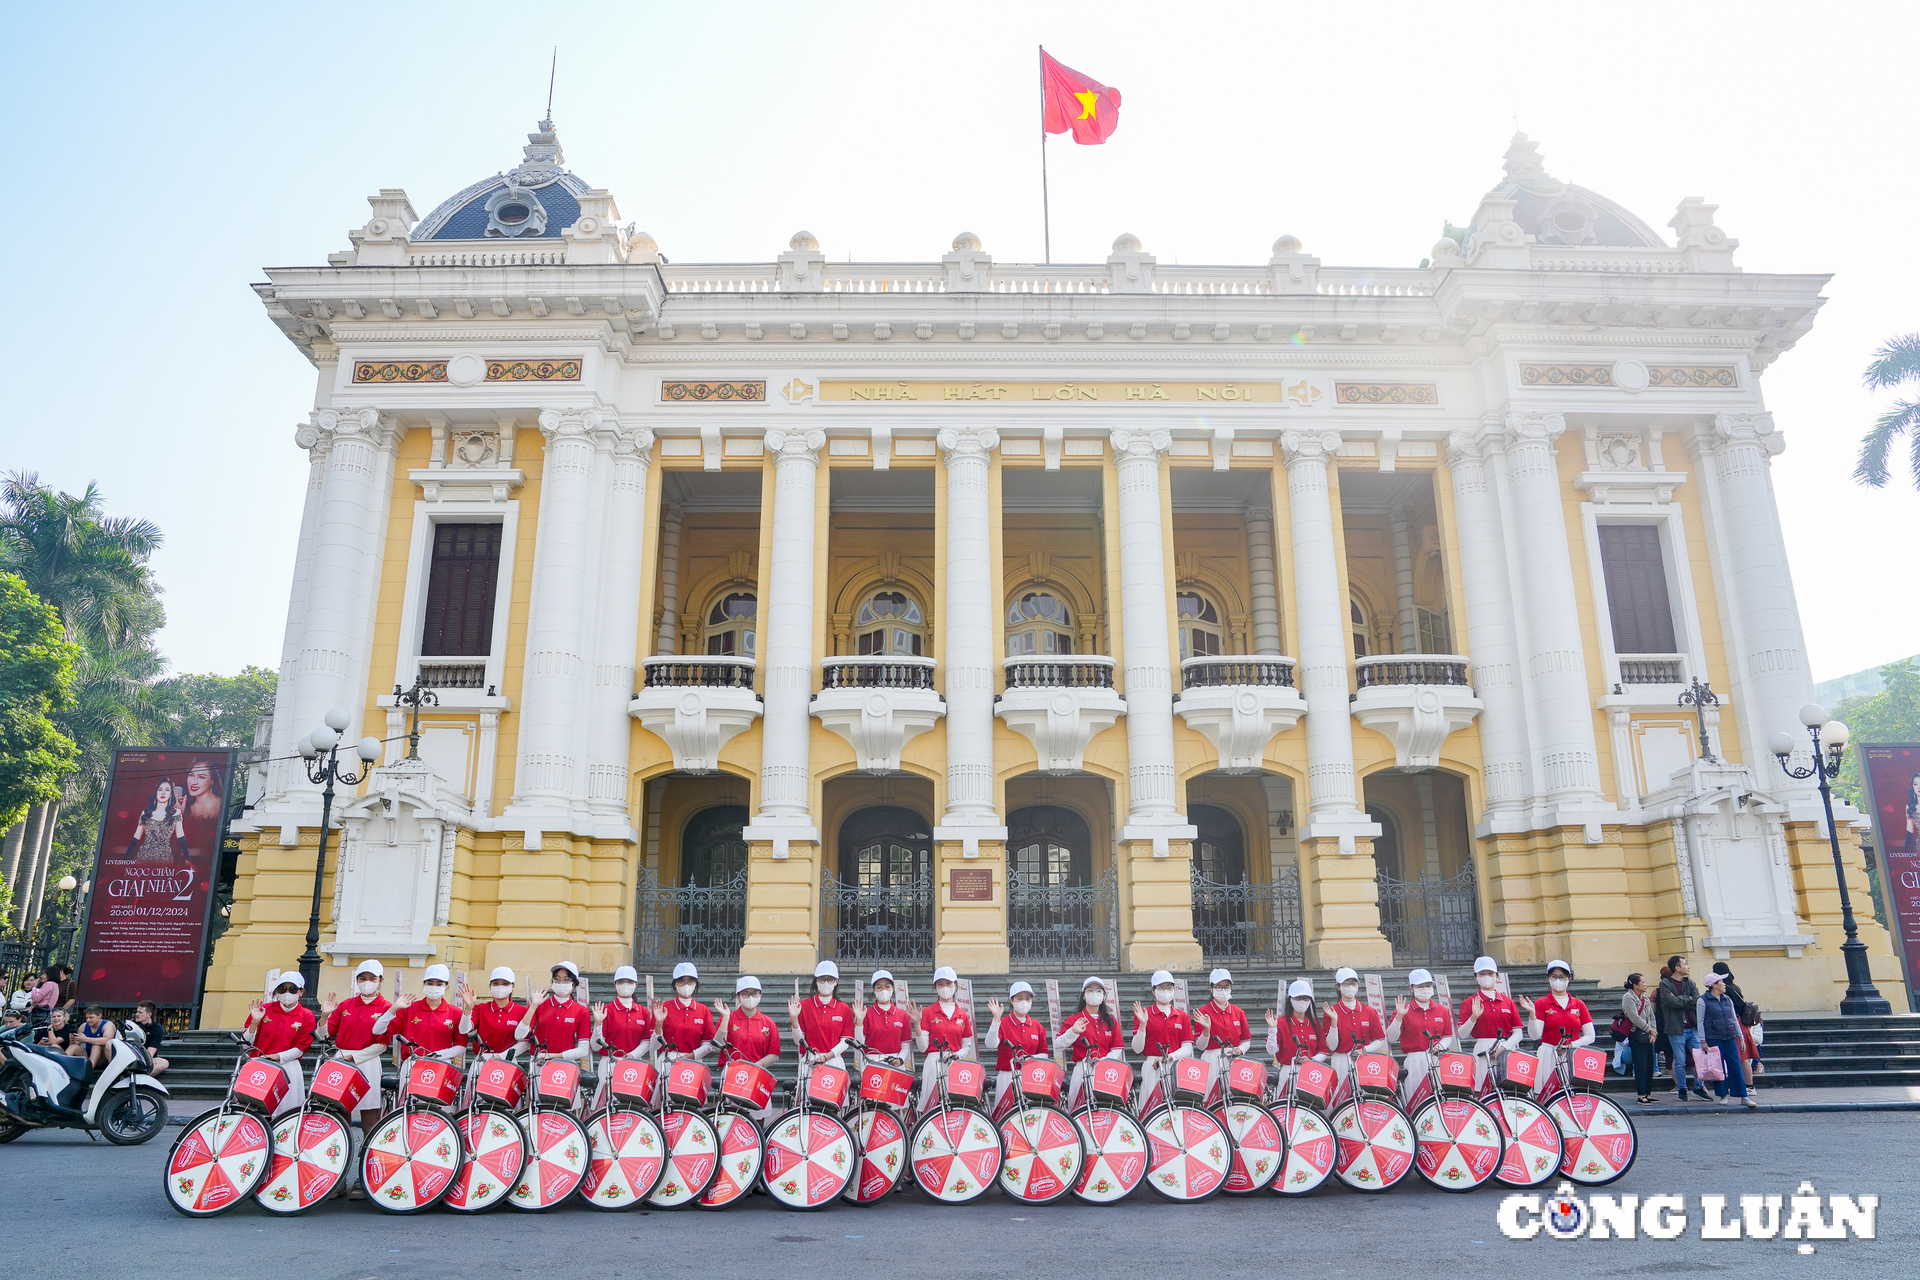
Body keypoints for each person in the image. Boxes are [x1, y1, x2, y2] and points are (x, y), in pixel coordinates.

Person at [323, 960, 394, 1147]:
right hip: (341, 1061)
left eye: (372, 978)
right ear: (357, 980)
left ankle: (367, 1162)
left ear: (380, 980)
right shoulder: (345, 1005)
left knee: (369, 1120)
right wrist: (324, 1016)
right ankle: (340, 1160)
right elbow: (325, 1035)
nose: (367, 982)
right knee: (341, 1115)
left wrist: (354, 1057)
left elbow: (382, 1044)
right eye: (362, 978)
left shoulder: (387, 1008)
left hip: (367, 1062)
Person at [243, 971, 316, 1116]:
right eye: (282, 989)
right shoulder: (264, 1009)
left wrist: (275, 1057)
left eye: (293, 989)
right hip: (259, 1067)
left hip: (288, 1068)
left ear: (301, 992)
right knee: (253, 1114)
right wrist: (255, 1022)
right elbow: (245, 1044)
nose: (287, 993)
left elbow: (301, 1048)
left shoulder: (306, 1015)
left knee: (286, 1115)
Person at [1522, 959, 1595, 1099]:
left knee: (1572, 1096)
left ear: (1569, 979)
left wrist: (1571, 1045)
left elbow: (1590, 1036)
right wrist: (1532, 1014)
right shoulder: (1542, 1003)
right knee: (1546, 1097)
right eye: (1554, 977)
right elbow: (1535, 1035)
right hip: (1548, 1054)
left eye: (1562, 977)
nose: (1558, 980)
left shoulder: (1578, 1004)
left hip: (1572, 1054)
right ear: (1548, 979)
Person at [1385, 967, 1456, 1107]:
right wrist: (1399, 1017)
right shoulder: (1404, 1009)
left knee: (1438, 1100)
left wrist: (1439, 1046)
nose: (1425, 989)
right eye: (1420, 986)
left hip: (1435, 1059)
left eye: (1428, 986)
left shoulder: (1442, 1011)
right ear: (1412, 988)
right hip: (1414, 1060)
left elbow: (1448, 1036)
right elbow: (1391, 1037)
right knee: (1416, 1100)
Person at [715, 975, 781, 1122]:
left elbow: (774, 1053)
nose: (750, 997)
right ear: (738, 997)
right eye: (745, 994)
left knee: (757, 1122)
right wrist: (725, 1018)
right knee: (730, 1120)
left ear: (760, 995)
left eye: (754, 993)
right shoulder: (729, 1017)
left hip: (758, 1076)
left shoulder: (768, 1023)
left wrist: (756, 1066)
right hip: (734, 1076)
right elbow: (718, 1044)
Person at [1321, 966, 1389, 1107]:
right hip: (1340, 1061)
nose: (1350, 987)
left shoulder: (1368, 1011)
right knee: (1341, 1101)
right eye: (1346, 983)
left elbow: (1380, 1040)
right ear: (1338, 987)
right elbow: (1332, 1046)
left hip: (1363, 1060)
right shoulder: (1331, 1012)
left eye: (1353, 983)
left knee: (1365, 1101)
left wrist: (1364, 1049)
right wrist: (1334, 1021)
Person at [1130, 969, 1195, 1114]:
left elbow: (1187, 1047)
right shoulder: (1144, 1014)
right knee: (1151, 1110)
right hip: (1152, 1067)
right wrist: (1142, 1025)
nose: (1166, 991)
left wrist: (1171, 1056)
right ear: (1153, 991)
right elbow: (1137, 1049)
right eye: (1161, 988)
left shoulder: (1182, 1016)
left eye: (1169, 988)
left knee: (1176, 1110)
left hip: (1175, 1066)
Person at [983, 981, 1051, 1116]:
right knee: (1004, 1117)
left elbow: (1044, 1053)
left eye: (1028, 998)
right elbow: (990, 1044)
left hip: (1031, 1077)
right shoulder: (1002, 1022)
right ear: (1011, 1001)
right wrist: (996, 1019)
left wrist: (1031, 1059)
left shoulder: (1037, 1026)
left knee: (1030, 1118)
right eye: (1019, 998)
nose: (1024, 1002)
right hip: (1007, 1077)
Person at [1057, 977, 1124, 1110]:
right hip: (1082, 1068)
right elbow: (1058, 1045)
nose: (1095, 994)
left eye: (1099, 991)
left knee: (1104, 1110)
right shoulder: (1074, 1020)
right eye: (1090, 990)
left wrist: (1103, 1061)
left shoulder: (1110, 1020)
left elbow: (1117, 1048)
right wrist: (1073, 1032)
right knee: (1078, 1110)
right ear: (1083, 996)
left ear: (1104, 996)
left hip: (1105, 1070)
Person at [914, 966, 976, 1112]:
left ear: (956, 985)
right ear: (935, 987)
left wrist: (957, 1054)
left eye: (948, 983)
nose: (944, 988)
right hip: (933, 1063)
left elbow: (967, 1046)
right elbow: (923, 1047)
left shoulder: (963, 1015)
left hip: (954, 1064)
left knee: (953, 1107)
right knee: (930, 1107)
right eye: (940, 984)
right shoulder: (928, 1012)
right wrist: (916, 1023)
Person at [1457, 956, 1524, 1090]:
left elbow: (1518, 1033)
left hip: (1506, 1048)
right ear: (1476, 977)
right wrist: (1474, 1017)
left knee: (1509, 1091)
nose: (1486, 977)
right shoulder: (1469, 1002)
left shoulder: (1508, 1002)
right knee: (1484, 1091)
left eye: (1490, 973)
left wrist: (1503, 1048)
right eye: (1482, 974)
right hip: (1483, 1050)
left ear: (1497, 977)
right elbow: (1461, 1034)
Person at [788, 960, 853, 1096]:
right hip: (811, 1061)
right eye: (822, 979)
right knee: (808, 1107)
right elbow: (798, 1040)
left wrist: (826, 1057)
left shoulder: (844, 1009)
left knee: (832, 1109)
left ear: (836, 982)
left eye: (830, 979)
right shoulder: (804, 1006)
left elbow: (846, 1041)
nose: (826, 983)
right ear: (816, 981)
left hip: (834, 1060)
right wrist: (794, 1018)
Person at [378, 963, 463, 1064]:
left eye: (439, 984)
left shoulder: (455, 1012)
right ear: (424, 984)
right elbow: (378, 1030)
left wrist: (437, 1055)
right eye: (430, 983)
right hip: (412, 1064)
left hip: (442, 1063)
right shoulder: (408, 1009)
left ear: (446, 986)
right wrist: (394, 1008)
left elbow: (461, 1046)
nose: (434, 987)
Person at [517, 961, 593, 1072]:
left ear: (574, 983)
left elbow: (583, 1050)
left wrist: (553, 1056)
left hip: (565, 1065)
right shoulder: (540, 1005)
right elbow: (519, 1035)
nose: (561, 983)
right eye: (557, 979)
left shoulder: (581, 1011)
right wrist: (533, 1006)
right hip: (538, 1063)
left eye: (566, 979)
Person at [1192, 968, 1252, 1106]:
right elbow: (1201, 1046)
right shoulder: (1203, 1012)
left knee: (1235, 1101)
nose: (1223, 990)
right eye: (1218, 987)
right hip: (1211, 1059)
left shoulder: (1238, 1012)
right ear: (1211, 988)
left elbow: (1246, 1040)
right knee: (1211, 1101)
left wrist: (1239, 1050)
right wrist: (1206, 1029)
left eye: (1226, 987)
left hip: (1234, 1060)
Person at [1697, 970, 1757, 1108]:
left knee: (1735, 1065)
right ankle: (1723, 1094)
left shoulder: (1727, 999)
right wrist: (1703, 1041)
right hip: (1714, 1037)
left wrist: (1740, 1037)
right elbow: (1700, 1022)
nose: (1724, 984)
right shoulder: (1702, 1000)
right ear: (1713, 985)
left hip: (1730, 1036)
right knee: (1717, 1068)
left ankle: (1743, 1096)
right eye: (1721, 982)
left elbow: (1734, 1018)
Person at [1265, 979, 1330, 1096]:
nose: (1302, 1002)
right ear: (1291, 1000)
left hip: (1310, 1073)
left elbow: (1324, 1051)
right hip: (1287, 1071)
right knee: (1285, 1109)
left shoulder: (1315, 1025)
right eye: (1298, 998)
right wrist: (1272, 1029)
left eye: (1306, 998)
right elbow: (1271, 1050)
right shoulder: (1280, 1023)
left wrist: (1311, 1061)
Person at [1657, 955, 1706, 1102]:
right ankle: (1682, 1088)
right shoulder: (1665, 984)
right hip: (1676, 1028)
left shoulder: (1690, 983)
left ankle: (1699, 1087)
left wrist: (1682, 999)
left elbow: (1697, 1000)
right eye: (1685, 964)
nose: (1688, 966)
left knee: (1699, 1058)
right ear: (1677, 968)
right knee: (1680, 1061)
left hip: (1692, 1027)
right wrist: (1687, 999)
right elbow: (1669, 1001)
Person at [460, 966, 528, 1059]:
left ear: (513, 986)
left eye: (505, 984)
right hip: (481, 1061)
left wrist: (501, 1057)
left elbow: (524, 1043)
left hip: (508, 1061)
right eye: (496, 983)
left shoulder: (522, 1011)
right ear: (490, 986)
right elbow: (463, 1030)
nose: (500, 987)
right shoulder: (480, 1008)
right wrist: (468, 1008)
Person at [853, 969, 912, 1071]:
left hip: (895, 1064)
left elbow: (905, 1044)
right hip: (871, 1063)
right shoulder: (866, 1013)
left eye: (887, 986)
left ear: (892, 988)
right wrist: (859, 1021)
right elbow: (858, 1043)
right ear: (873, 990)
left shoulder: (902, 1015)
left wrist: (900, 1059)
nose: (883, 990)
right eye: (879, 987)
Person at [1712, 962, 1763, 1080]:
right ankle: (1748, 1085)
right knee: (1743, 1057)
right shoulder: (1735, 987)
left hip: (1733, 1023)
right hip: (1742, 1022)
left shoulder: (1725, 991)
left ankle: (1741, 1083)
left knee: (1738, 1057)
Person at [126, 777, 185, 863]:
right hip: (144, 856)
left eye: (167, 790)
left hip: (164, 857)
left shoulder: (176, 813)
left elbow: (180, 836)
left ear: (171, 794)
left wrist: (187, 858)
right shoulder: (146, 812)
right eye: (160, 789)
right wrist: (125, 859)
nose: (163, 793)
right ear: (156, 792)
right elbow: (136, 836)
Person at [1621, 973, 1658, 1105]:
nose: (1646, 984)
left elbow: (1652, 1016)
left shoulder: (1645, 999)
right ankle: (1641, 1094)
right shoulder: (1628, 997)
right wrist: (1649, 1029)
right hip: (1636, 1034)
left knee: (1649, 1065)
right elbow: (1634, 1017)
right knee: (1641, 1065)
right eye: (1643, 982)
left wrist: (1653, 1032)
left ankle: (1647, 1093)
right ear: (1635, 985)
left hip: (1648, 1035)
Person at [181, 757, 226, 857]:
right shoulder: (185, 805)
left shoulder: (219, 806)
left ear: (212, 781)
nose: (193, 782)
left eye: (201, 777)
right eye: (191, 775)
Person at [70, 1005, 118, 1070]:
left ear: (99, 1016)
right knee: (73, 1047)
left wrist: (86, 1039)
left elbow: (107, 1040)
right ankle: (62, 1067)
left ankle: (87, 1070)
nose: (88, 1020)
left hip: (102, 1058)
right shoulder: (84, 1026)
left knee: (96, 1046)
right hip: (88, 1056)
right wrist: (72, 1040)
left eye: (91, 1018)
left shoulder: (108, 1024)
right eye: (86, 1018)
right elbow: (76, 1044)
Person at [130, 1001, 168, 1075]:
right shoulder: (130, 1025)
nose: (136, 1014)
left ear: (149, 1014)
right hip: (129, 1056)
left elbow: (150, 1053)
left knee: (164, 1063)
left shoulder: (157, 1030)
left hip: (145, 1058)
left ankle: (140, 1077)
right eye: (137, 1011)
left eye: (140, 1012)